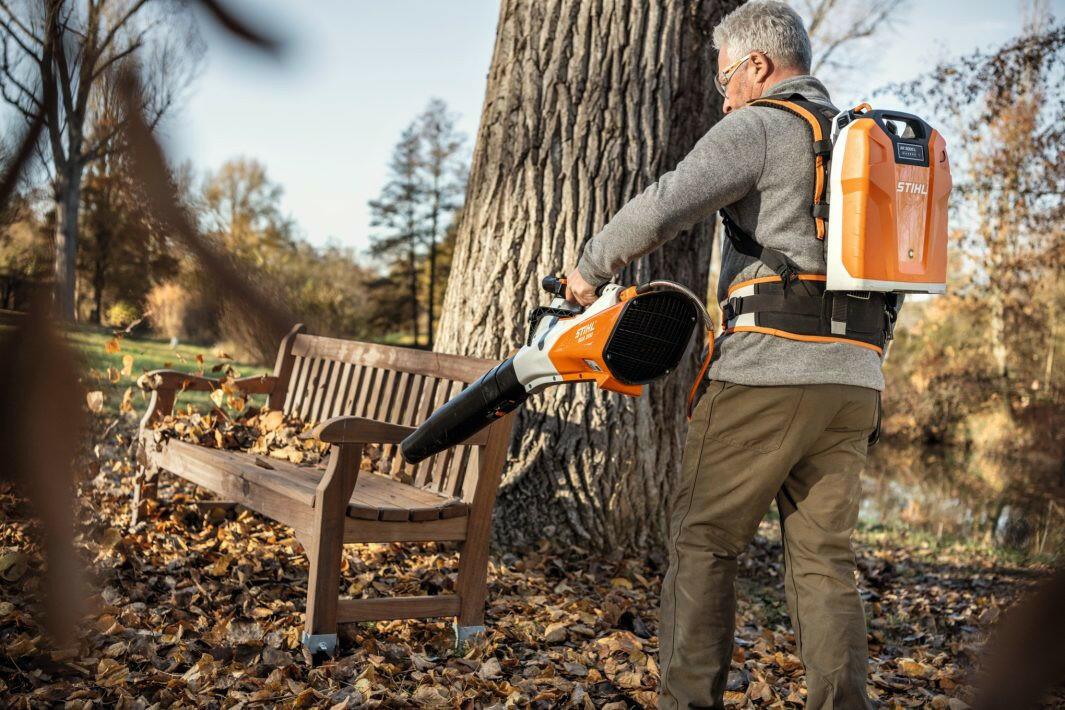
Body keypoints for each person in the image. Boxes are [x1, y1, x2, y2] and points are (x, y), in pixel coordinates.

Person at [564, 2, 883, 708]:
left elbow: (666, 201)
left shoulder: (762, 126)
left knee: (704, 544)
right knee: (823, 565)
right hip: (856, 379)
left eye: (726, 78)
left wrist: (589, 267)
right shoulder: (863, 140)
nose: (724, 93)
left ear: (759, 66)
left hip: (769, 373)